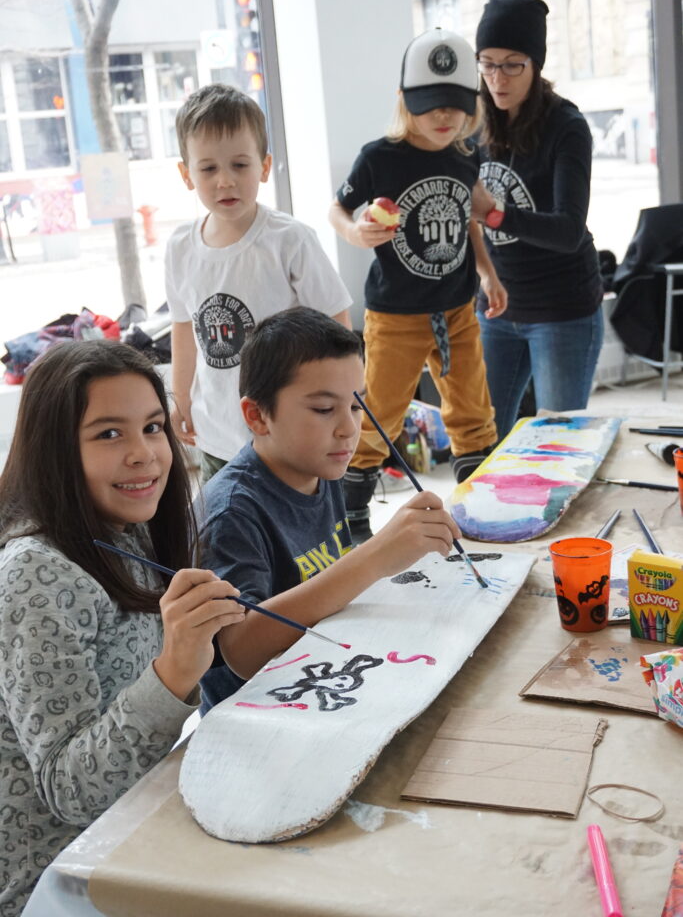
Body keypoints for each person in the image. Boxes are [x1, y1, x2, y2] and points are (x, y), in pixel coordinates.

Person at [0, 341, 245, 915]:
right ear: (55, 451)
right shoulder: (35, 573)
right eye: (109, 434)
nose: (144, 454)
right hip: (59, 885)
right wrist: (176, 671)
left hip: (133, 835)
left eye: (153, 427)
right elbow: (69, 791)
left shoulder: (124, 530)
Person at [197, 307, 459, 711]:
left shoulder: (323, 467)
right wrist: (373, 559)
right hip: (259, 717)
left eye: (356, 407)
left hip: (330, 677)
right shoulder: (232, 510)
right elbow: (240, 652)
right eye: (323, 409)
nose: (349, 428)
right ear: (257, 416)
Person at [328, 29, 506, 541]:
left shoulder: (465, 154)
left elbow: (469, 213)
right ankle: (351, 515)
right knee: (377, 414)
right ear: (405, 102)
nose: (444, 117)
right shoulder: (380, 157)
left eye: (455, 105)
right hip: (396, 316)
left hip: (457, 310)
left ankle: (477, 506)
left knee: (474, 411)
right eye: (431, 106)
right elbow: (337, 207)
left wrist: (488, 273)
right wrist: (355, 232)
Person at [166, 83, 352, 484]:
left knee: (294, 529)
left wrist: (340, 402)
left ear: (265, 167)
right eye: (209, 168)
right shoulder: (180, 247)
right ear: (186, 174)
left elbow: (337, 321)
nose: (225, 182)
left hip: (287, 432)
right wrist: (180, 399)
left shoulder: (289, 239)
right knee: (227, 530)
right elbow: (183, 328)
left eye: (240, 165)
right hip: (216, 431)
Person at [472, 0, 604, 440]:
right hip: (496, 307)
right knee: (482, 438)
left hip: (562, 309)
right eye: (487, 63)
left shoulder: (566, 126)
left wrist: (496, 216)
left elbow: (568, 229)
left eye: (512, 64)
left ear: (536, 63)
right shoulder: (474, 122)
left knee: (556, 445)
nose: (497, 78)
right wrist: (483, 270)